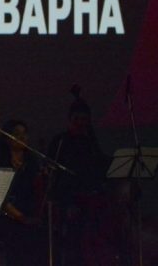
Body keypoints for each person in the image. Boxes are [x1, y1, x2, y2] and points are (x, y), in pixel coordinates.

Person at [47, 87, 112, 265]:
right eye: (76, 119)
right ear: (69, 120)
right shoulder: (60, 141)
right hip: (69, 198)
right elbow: (54, 176)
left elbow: (99, 165)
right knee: (75, 235)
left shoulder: (89, 141)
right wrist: (67, 201)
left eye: (84, 120)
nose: (81, 123)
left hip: (91, 196)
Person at [0, 119, 46, 266]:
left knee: (40, 236)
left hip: (28, 212)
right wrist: (20, 217)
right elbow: (0, 197)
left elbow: (37, 192)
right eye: (17, 134)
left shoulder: (32, 161)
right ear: (7, 138)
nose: (22, 137)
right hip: (7, 215)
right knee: (17, 235)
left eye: (25, 133)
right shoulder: (0, 160)